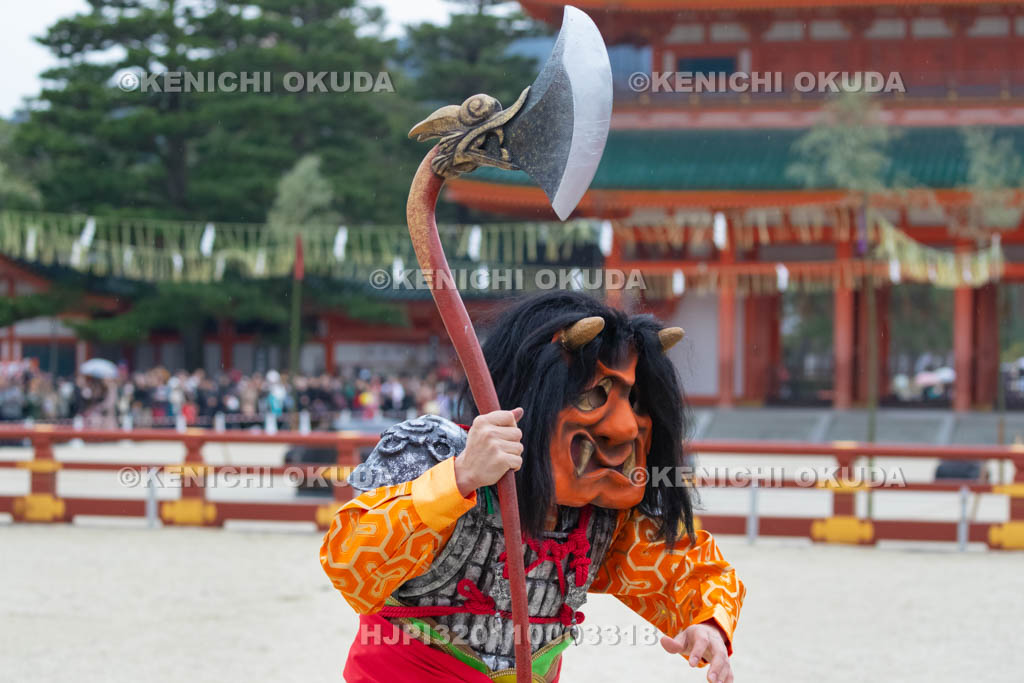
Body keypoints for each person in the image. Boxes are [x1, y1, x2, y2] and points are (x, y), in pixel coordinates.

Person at [320, 291, 744, 682]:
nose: (624, 426)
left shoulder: (600, 513)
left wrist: (706, 620)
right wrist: (460, 477)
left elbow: (687, 571)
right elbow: (350, 565)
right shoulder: (435, 452)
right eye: (595, 396)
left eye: (634, 402)